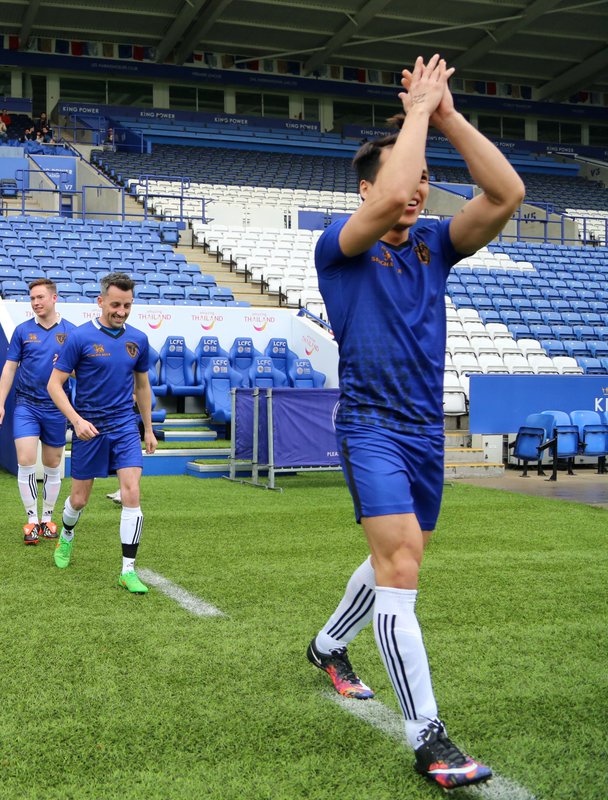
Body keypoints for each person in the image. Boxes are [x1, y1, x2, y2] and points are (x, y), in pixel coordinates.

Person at [307, 55, 524, 790]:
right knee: (402, 568)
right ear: (365, 193)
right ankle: (427, 734)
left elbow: (507, 192)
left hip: (422, 431)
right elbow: (399, 182)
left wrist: (449, 114)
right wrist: (417, 115)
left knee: (391, 559)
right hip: (369, 424)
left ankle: (328, 644)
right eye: (406, 179)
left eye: (427, 180)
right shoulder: (342, 247)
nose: (419, 189)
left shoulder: (434, 245)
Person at [46, 272, 157, 594]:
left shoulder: (138, 340)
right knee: (79, 500)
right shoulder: (79, 338)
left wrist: (147, 429)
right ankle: (66, 537)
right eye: (115, 305)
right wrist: (76, 421)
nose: (121, 311)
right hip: (89, 429)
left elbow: (142, 385)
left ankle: (128, 570)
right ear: (100, 301)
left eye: (127, 305)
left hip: (124, 425)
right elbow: (54, 384)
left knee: (131, 493)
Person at [0, 278, 77, 545]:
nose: (36, 303)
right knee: (26, 460)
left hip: (56, 407)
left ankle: (47, 518)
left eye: (40, 297)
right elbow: (9, 368)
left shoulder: (72, 332)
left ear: (54, 298)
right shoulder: (22, 331)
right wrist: (0, 403)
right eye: (32, 299)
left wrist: (67, 367)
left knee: (53, 465)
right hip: (26, 405)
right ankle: (31, 520)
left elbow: (81, 373)